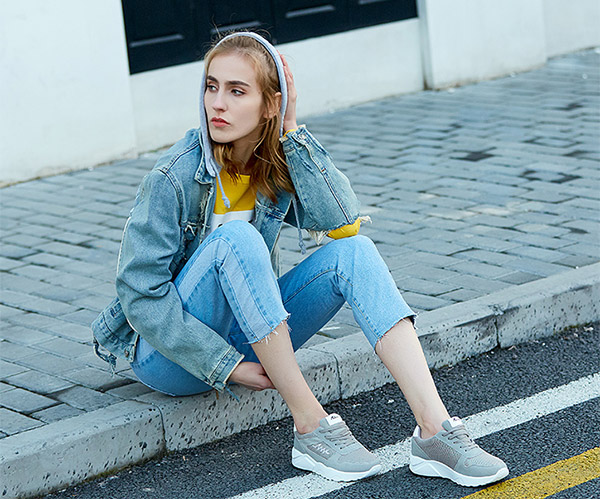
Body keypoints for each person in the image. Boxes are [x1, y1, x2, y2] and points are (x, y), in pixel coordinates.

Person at [92, 31, 508, 486]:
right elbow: (139, 293)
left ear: (269, 104)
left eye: (237, 91)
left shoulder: (272, 166)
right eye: (212, 87)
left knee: (355, 252)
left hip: (246, 334)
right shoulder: (174, 177)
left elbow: (342, 221)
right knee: (237, 238)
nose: (217, 104)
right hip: (169, 357)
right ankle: (311, 427)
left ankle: (435, 432)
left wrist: (292, 130)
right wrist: (226, 364)